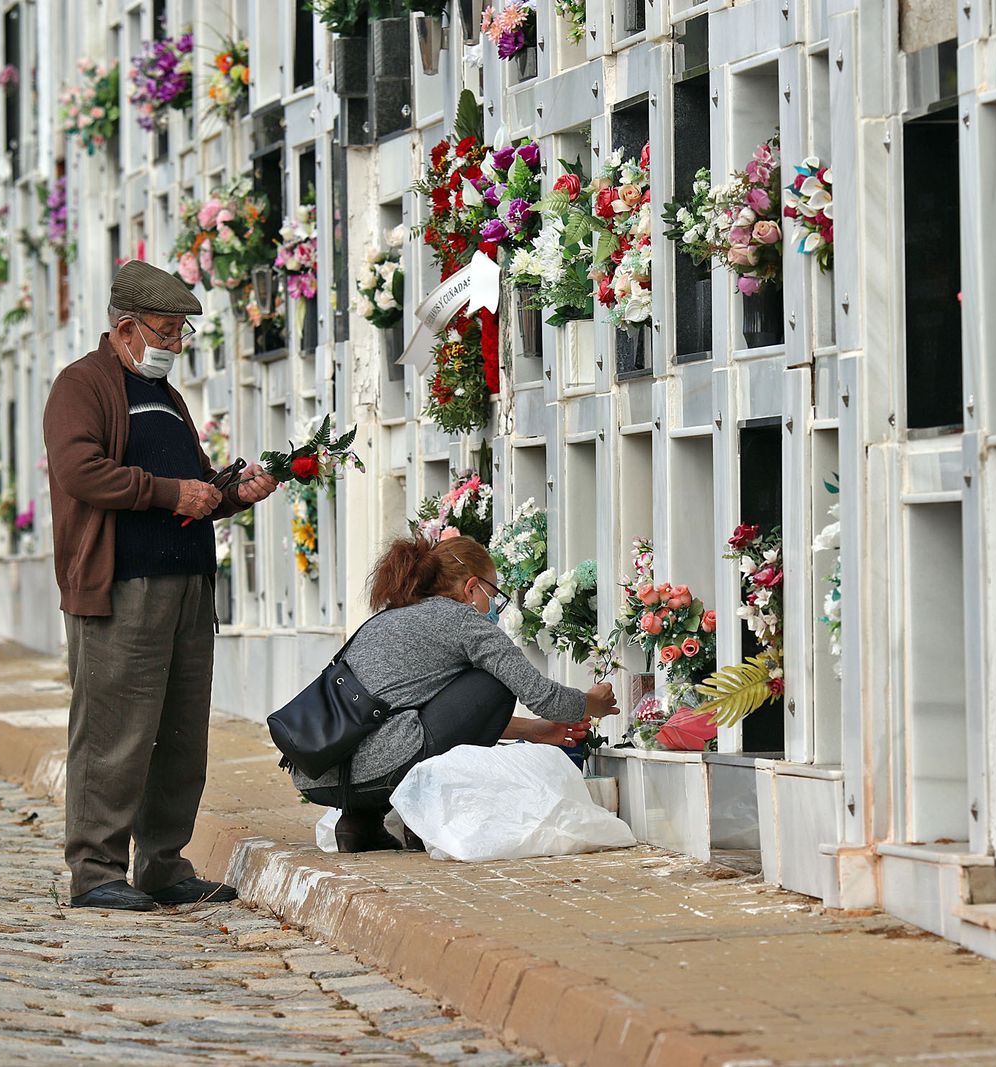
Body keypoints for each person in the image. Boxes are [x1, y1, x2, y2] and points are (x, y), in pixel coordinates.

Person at [43, 260, 280, 912]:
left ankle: (161, 864)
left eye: (180, 333)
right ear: (125, 327)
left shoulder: (168, 396)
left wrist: (233, 492)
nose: (174, 344)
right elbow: (81, 470)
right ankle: (94, 871)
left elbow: (194, 483)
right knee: (114, 734)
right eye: (166, 330)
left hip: (185, 587)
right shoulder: (82, 386)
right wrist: (168, 491)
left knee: (180, 734)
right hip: (120, 587)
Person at [290, 534, 618, 851]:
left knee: (399, 723)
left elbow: (442, 717)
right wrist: (594, 703)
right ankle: (424, 818)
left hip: (318, 777)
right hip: (379, 770)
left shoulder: (386, 618)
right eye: (494, 594)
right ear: (472, 588)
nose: (495, 608)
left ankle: (359, 823)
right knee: (493, 679)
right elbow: (542, 697)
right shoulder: (461, 620)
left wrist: (532, 730)